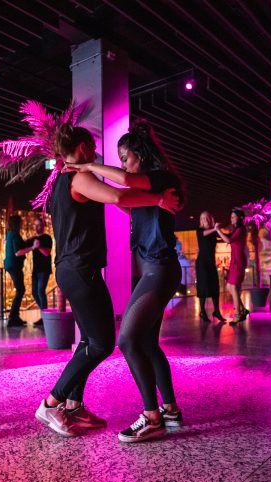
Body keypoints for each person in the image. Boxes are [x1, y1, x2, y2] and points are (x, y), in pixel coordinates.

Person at [35, 123, 181, 439]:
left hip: (75, 267)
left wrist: (152, 204)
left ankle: (74, 405)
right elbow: (118, 194)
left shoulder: (60, 182)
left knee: (92, 341)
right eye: (96, 148)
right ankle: (52, 402)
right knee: (103, 343)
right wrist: (156, 201)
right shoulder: (80, 176)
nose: (116, 161)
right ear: (85, 147)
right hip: (81, 268)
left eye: (124, 157)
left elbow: (126, 195)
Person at [215, 208, 248, 325]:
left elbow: (228, 240)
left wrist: (217, 230)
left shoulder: (241, 229)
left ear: (239, 218)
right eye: (231, 217)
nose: (231, 219)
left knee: (233, 287)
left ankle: (238, 314)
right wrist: (218, 232)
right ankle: (242, 309)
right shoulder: (236, 230)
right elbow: (227, 237)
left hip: (238, 262)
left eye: (233, 217)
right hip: (235, 261)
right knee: (230, 287)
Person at [195, 211, 225, 322]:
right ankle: (202, 312)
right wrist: (216, 229)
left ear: (210, 218)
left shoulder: (214, 231)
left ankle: (216, 311)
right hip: (202, 263)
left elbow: (225, 236)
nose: (204, 219)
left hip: (211, 263)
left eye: (206, 217)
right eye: (202, 218)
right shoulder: (199, 230)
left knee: (215, 286)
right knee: (203, 286)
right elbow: (204, 234)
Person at [25, 217, 53, 325]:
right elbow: (22, 246)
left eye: (38, 225)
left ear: (43, 226)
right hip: (35, 270)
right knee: (34, 292)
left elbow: (47, 253)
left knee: (40, 291)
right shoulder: (33, 239)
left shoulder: (47, 238)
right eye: (35, 225)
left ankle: (44, 317)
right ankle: (44, 314)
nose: (36, 227)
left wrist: (38, 246)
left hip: (44, 270)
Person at [3, 215, 29, 328]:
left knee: (20, 290)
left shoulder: (9, 234)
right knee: (20, 290)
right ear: (17, 224)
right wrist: (32, 247)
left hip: (10, 265)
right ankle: (12, 318)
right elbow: (18, 252)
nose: (22, 224)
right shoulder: (15, 235)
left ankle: (15, 317)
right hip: (14, 265)